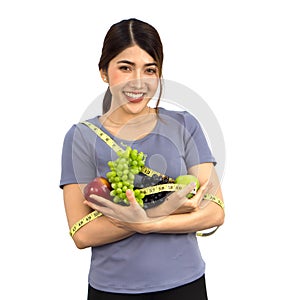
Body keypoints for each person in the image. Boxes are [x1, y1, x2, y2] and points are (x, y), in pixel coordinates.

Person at [60, 18, 225, 300]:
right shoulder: (81, 137)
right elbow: (83, 234)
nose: (139, 82)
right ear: (103, 71)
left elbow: (214, 212)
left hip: (186, 284)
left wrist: (146, 222)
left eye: (150, 70)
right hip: (112, 290)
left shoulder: (185, 125)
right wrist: (170, 209)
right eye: (125, 67)